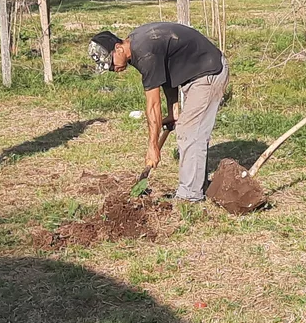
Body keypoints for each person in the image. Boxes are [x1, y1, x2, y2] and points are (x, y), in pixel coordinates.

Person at [89, 22, 228, 203]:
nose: (113, 70)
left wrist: (153, 146)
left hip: (208, 72)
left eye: (111, 64)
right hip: (194, 73)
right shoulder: (136, 46)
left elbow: (153, 106)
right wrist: (173, 110)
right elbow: (165, 76)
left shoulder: (145, 53)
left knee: (189, 132)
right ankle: (194, 187)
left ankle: (190, 196)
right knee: (188, 130)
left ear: (118, 48)